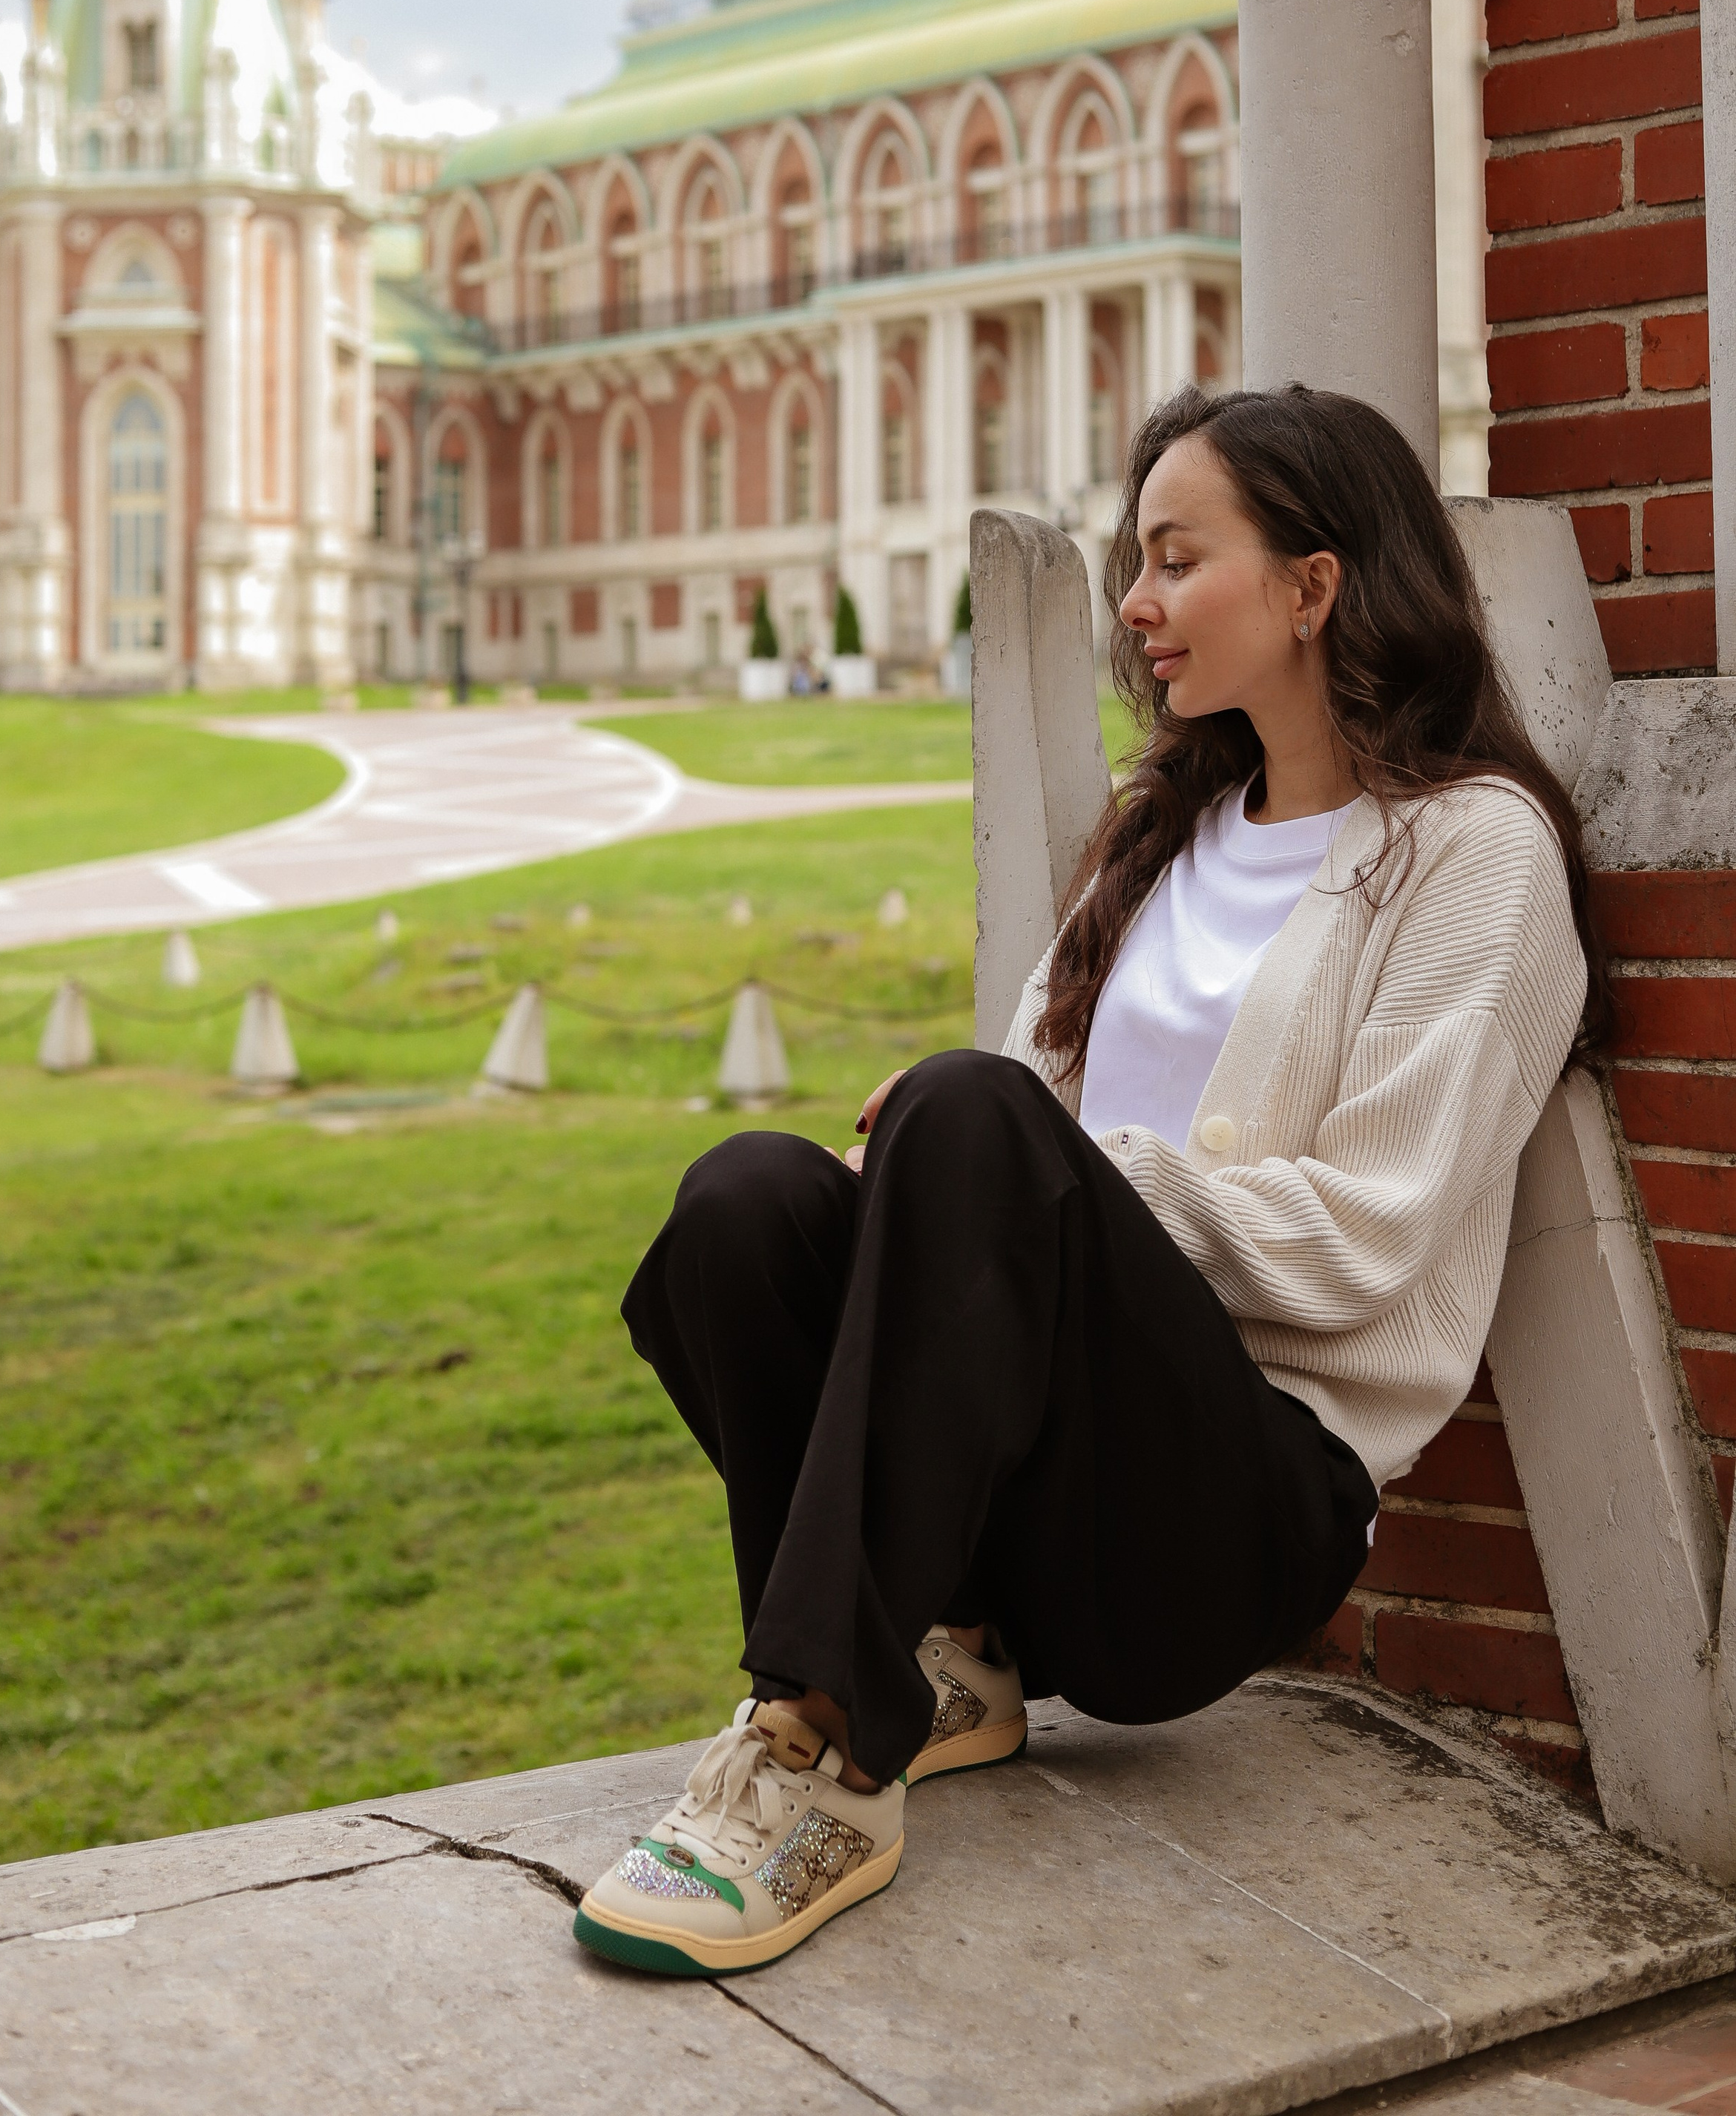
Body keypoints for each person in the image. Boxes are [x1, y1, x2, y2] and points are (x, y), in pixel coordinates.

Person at [574, 383, 1605, 1979]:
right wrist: (903, 1175)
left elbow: (1367, 1245)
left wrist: (1048, 1166)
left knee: (972, 1114)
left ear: (1314, 584)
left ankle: (825, 1760)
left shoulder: (1469, 854)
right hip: (1037, 1492)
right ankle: (946, 1663)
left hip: (1229, 1512)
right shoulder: (1164, 834)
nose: (1137, 603)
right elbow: (1008, 1154)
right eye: (1135, 561)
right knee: (747, 1202)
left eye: (1177, 559)